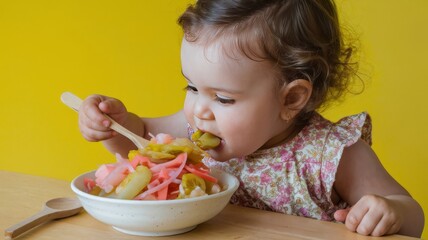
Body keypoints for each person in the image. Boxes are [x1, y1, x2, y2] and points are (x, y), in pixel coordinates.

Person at [77, 0, 424, 237]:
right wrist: (109, 124)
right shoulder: (191, 132)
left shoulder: (333, 155)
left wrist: (389, 212)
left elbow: (413, 217)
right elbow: (136, 140)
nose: (199, 110)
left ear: (290, 98)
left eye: (224, 97)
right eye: (192, 87)